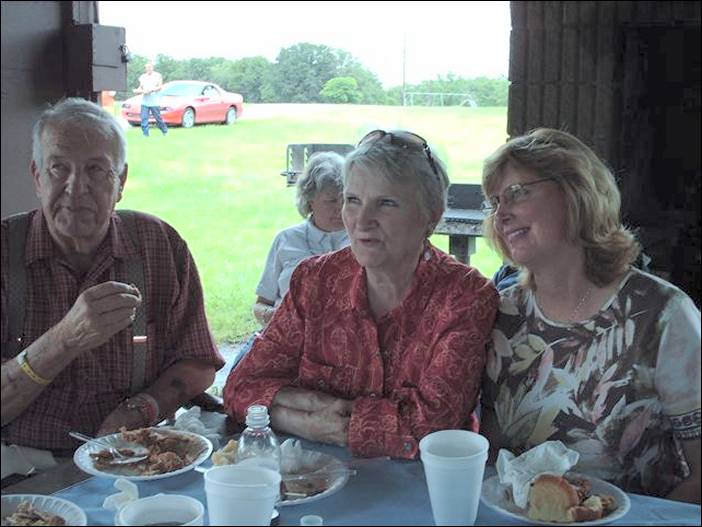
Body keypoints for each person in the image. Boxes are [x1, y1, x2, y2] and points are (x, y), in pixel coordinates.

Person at [224, 129, 498, 459]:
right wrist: (311, 416)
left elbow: (433, 428)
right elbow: (241, 386)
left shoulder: (465, 296)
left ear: (431, 215)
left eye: (386, 203)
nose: (362, 221)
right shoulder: (314, 280)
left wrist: (326, 421)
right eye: (352, 200)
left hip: (421, 491)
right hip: (311, 483)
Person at [478, 128, 700, 503]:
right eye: (494, 202)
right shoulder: (503, 311)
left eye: (517, 193)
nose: (501, 215)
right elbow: (490, 456)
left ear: (575, 192)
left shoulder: (661, 314)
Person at [1, 98, 224, 454]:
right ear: (37, 177)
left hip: (134, 455)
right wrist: (65, 340)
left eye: (96, 170)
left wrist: (142, 409)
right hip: (21, 465)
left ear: (120, 181)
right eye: (59, 168)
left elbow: (196, 362)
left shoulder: (159, 245)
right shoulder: (5, 252)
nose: (76, 187)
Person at [134, 62, 168, 137]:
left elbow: (160, 87)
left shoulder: (157, 75)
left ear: (152, 68)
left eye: (150, 67)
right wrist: (137, 90)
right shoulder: (143, 77)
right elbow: (141, 87)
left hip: (154, 102)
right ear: (145, 69)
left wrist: (152, 90)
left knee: (157, 118)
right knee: (144, 118)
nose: (148, 69)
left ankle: (164, 131)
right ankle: (145, 134)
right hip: (145, 102)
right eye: (147, 68)